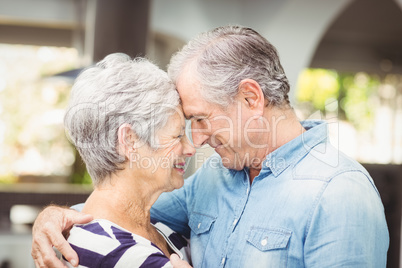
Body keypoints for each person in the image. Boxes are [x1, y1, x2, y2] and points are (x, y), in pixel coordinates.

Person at [32, 26, 389, 267]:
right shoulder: (213, 178)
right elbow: (121, 207)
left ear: (251, 98)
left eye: (201, 118)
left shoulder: (340, 194)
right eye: (186, 126)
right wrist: (53, 219)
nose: (197, 140)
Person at [36, 53, 195, 268]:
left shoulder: (158, 228)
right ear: (130, 141)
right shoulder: (122, 254)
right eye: (178, 135)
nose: (190, 148)